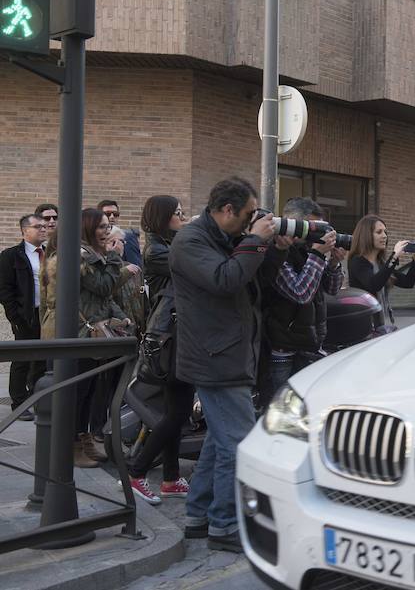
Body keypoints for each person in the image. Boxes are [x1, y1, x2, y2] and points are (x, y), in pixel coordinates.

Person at [169, 177, 278, 552]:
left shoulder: (224, 237)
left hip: (228, 353)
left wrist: (272, 245)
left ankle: (199, 516)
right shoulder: (191, 240)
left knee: (219, 442)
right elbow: (225, 279)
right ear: (228, 210)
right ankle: (225, 524)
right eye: (249, 214)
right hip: (215, 357)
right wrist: (255, 240)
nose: (251, 220)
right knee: (240, 444)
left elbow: (257, 281)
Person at [41, 208, 131, 468]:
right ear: (87, 229)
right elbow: (104, 286)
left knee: (89, 390)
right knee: (76, 393)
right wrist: (114, 257)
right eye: (101, 227)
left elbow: (103, 297)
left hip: (89, 332)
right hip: (75, 332)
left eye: (107, 226)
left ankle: (83, 439)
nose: (107, 231)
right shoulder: (78, 257)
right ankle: (70, 446)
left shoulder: (92, 255)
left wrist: (122, 317)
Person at [125, 195, 193, 505]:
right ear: (163, 217)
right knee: (176, 413)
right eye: (178, 213)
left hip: (174, 338)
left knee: (176, 412)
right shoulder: (157, 251)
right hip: (170, 340)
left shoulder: (168, 244)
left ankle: (170, 478)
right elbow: (193, 265)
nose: (183, 218)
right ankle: (136, 472)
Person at [262, 198, 345, 396]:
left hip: (310, 344)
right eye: (312, 227)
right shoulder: (275, 251)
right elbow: (300, 293)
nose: (316, 233)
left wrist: (334, 264)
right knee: (278, 404)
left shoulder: (309, 250)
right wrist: (317, 254)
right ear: (293, 223)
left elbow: (332, 289)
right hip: (282, 349)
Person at [0, 215, 49, 421]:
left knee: (42, 359)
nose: (43, 229)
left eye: (44, 226)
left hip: (47, 315)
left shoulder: (50, 253)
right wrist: (15, 317)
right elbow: (4, 289)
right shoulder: (11, 255)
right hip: (25, 315)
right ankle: (19, 403)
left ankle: (36, 398)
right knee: (22, 359)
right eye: (38, 226)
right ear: (24, 231)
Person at [348, 215, 415, 333]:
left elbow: (408, 282)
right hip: (365, 328)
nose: (384, 236)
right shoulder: (357, 261)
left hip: (383, 326)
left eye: (385, 232)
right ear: (366, 235)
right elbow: (374, 284)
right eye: (379, 232)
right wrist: (394, 257)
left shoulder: (381, 264)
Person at [98, 200, 142, 267]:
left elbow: (135, 266)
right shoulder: (94, 238)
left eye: (115, 214)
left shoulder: (127, 237)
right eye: (107, 214)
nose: (112, 217)